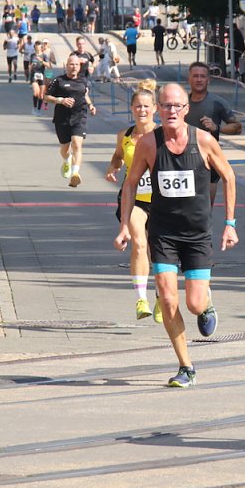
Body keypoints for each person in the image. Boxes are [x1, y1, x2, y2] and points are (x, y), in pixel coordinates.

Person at [114, 83, 238, 387]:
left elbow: (229, 176)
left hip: (197, 234)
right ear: (159, 109)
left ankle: (206, 303)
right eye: (166, 105)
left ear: (186, 109)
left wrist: (230, 223)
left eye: (177, 106)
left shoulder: (204, 140)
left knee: (194, 304)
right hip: (163, 233)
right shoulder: (148, 144)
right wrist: (124, 225)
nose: (171, 111)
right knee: (168, 300)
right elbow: (130, 183)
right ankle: (186, 366)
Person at [106, 83, 160, 322]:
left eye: (146, 106)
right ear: (131, 108)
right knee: (139, 243)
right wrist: (113, 167)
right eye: (138, 106)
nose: (142, 110)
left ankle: (160, 295)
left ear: (155, 109)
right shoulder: (124, 136)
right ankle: (141, 299)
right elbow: (118, 156)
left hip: (160, 200)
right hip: (134, 198)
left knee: (156, 251)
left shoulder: (163, 135)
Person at [185, 62, 242, 204]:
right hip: (183, 161)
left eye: (202, 76)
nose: (199, 80)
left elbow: (237, 127)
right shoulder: (181, 103)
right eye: (195, 76)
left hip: (208, 162)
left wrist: (217, 128)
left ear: (208, 80)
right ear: (189, 79)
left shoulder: (217, 103)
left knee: (204, 209)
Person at [45, 53, 97, 188]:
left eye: (76, 65)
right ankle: (67, 159)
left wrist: (90, 105)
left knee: (77, 144)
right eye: (71, 64)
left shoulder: (83, 81)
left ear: (79, 67)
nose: (74, 67)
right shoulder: (58, 81)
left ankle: (75, 173)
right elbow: (46, 97)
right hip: (62, 118)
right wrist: (60, 100)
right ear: (66, 66)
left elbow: (85, 95)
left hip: (79, 116)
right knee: (64, 149)